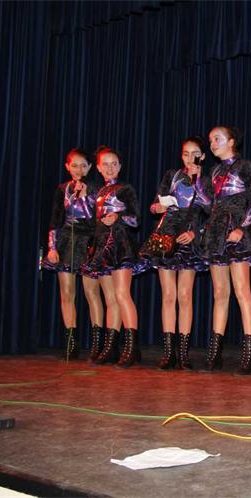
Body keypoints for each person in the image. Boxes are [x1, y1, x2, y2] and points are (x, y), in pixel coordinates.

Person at [141, 136, 211, 370]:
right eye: (185, 154)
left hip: (189, 236)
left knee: (185, 295)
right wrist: (158, 207)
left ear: (202, 156)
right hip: (167, 235)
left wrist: (196, 233)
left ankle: (183, 352)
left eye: (195, 154)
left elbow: (212, 211)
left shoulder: (207, 180)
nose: (189, 158)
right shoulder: (172, 175)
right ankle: (169, 352)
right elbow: (154, 205)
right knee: (168, 295)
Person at [201, 126, 251, 375]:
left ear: (231, 141)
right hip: (216, 234)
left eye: (217, 139)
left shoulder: (244, 166)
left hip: (237, 231)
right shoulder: (215, 171)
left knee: (242, 291)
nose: (212, 143)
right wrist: (197, 181)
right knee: (220, 293)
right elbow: (209, 205)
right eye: (210, 140)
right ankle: (214, 353)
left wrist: (242, 227)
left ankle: (250, 354)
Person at [82, 146, 145, 368]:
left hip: (120, 246)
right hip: (103, 248)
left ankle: (131, 347)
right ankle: (110, 346)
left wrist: (117, 216)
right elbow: (93, 222)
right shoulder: (98, 193)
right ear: (98, 168)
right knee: (110, 298)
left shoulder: (125, 188)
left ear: (120, 166)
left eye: (114, 164)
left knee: (121, 294)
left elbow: (135, 220)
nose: (110, 168)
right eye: (105, 164)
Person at [43, 148, 104, 361]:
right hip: (67, 241)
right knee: (67, 293)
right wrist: (52, 247)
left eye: (83, 166)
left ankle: (98, 343)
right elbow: (55, 219)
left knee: (91, 292)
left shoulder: (97, 189)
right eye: (75, 165)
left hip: (89, 241)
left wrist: (85, 198)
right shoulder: (63, 189)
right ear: (67, 167)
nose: (79, 170)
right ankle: (71, 341)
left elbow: (96, 220)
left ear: (90, 167)